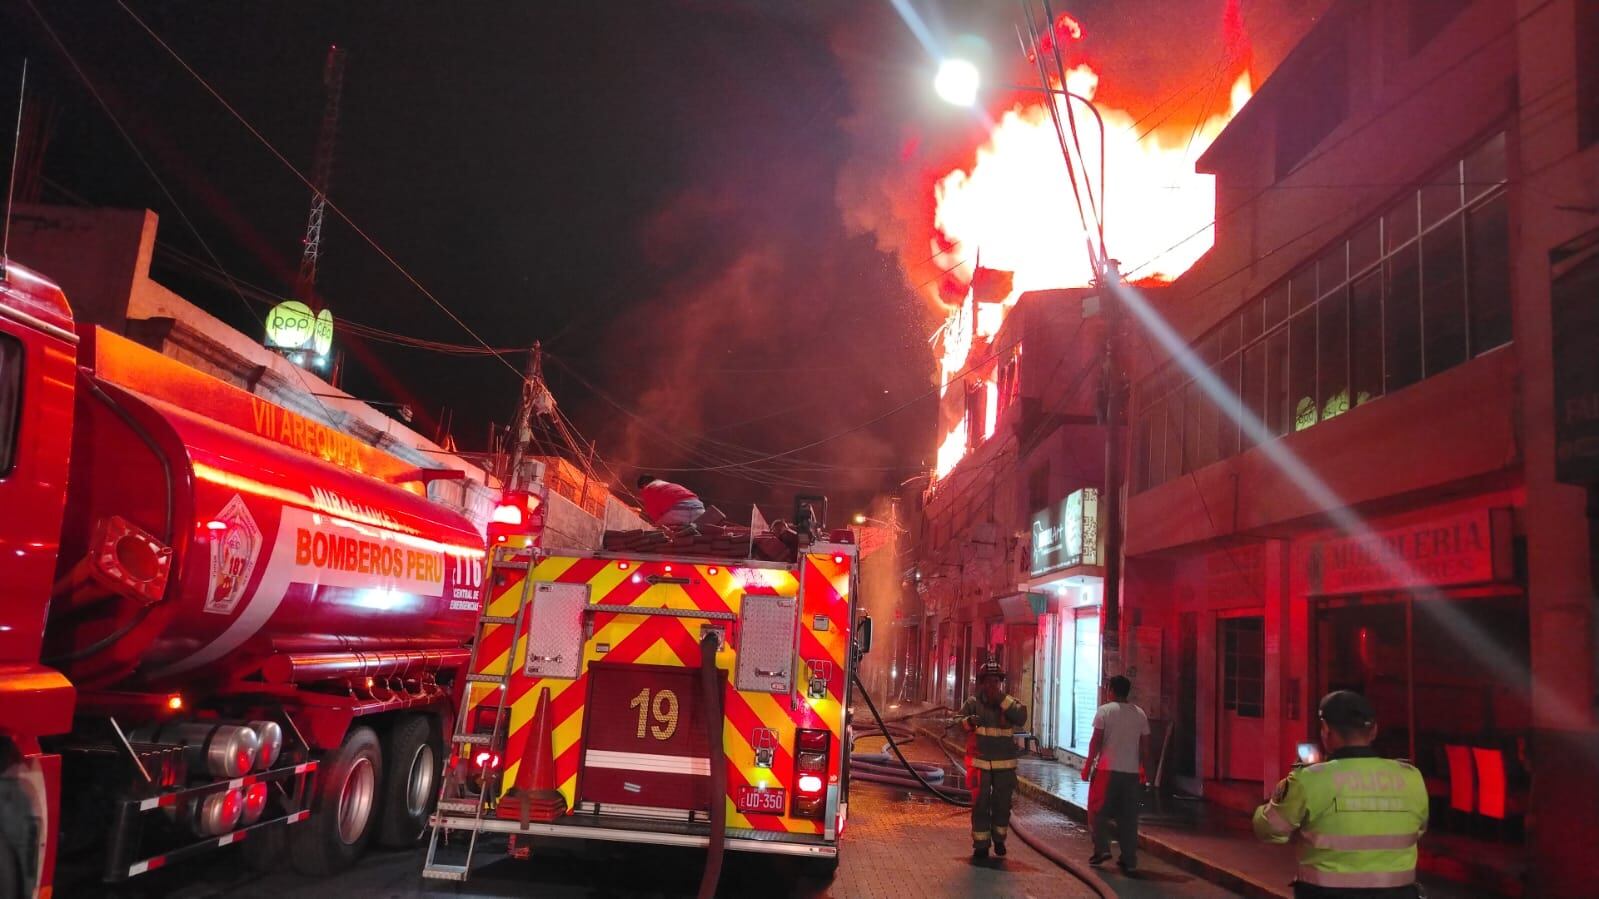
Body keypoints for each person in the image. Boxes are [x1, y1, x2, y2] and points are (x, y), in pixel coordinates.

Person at [1254, 691, 1428, 898]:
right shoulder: (1411, 777)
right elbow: (1418, 829)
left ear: (1326, 729)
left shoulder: (1310, 779)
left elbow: (1270, 829)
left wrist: (1274, 800)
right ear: (1374, 730)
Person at [958, 659, 1027, 859]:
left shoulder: (1008, 703)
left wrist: (1002, 700)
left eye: (996, 681)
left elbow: (1021, 717)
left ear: (1000, 682)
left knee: (1002, 804)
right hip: (979, 763)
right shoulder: (973, 703)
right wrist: (968, 721)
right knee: (980, 803)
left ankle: (999, 840)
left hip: (1004, 765)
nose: (992, 685)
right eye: (988, 681)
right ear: (982, 682)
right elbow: (956, 722)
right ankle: (981, 844)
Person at [1082, 674, 1149, 872]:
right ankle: (1129, 859)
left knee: (1097, 811)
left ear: (1111, 690)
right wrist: (1146, 773)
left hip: (1106, 771)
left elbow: (1095, 741)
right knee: (1128, 817)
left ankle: (1102, 849)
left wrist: (1087, 767)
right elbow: (1146, 747)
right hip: (1131, 773)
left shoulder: (1104, 711)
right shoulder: (1140, 714)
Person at [636, 475, 704, 529]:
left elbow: (655, 515)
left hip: (678, 510)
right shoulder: (669, 485)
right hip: (698, 507)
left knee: (657, 532)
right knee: (699, 534)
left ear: (643, 485)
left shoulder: (648, 489)